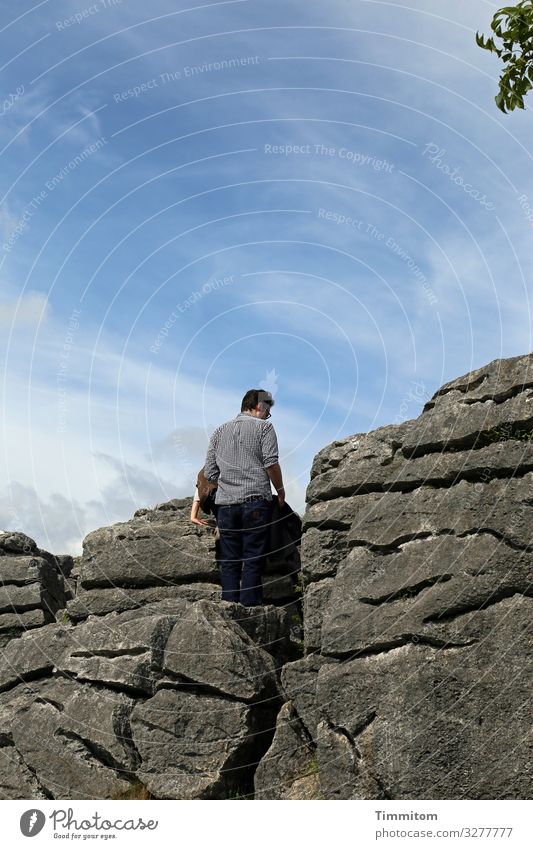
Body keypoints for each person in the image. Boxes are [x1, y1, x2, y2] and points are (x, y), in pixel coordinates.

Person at [203, 388, 285, 606]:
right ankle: (250, 608)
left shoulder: (219, 432)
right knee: (253, 556)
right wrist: (281, 489)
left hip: (225, 505)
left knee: (229, 560)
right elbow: (271, 463)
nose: (268, 415)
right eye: (267, 410)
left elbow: (210, 473)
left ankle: (229, 608)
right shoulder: (264, 428)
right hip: (255, 500)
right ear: (259, 406)